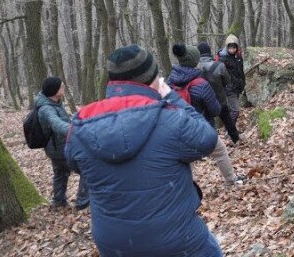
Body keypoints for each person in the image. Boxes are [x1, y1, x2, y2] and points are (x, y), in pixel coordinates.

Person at [65, 45, 224, 257]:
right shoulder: (170, 118)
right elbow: (207, 138)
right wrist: (171, 97)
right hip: (177, 240)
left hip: (114, 244)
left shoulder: (80, 126)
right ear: (152, 78)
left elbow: (74, 163)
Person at [170, 43, 244, 187]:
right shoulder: (201, 84)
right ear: (195, 61)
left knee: (186, 161)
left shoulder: (170, 81)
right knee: (220, 152)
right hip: (202, 128)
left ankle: (186, 188)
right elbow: (216, 111)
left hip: (180, 128)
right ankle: (230, 181)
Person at [36, 76, 88, 210]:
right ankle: (83, 203)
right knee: (86, 169)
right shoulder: (46, 109)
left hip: (56, 147)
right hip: (59, 149)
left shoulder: (55, 103)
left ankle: (58, 202)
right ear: (54, 90)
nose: (63, 88)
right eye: (61, 86)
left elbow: (63, 120)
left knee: (60, 173)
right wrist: (77, 130)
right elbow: (57, 124)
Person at [217, 35, 246, 125]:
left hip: (237, 87)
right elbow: (221, 75)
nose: (232, 50)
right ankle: (230, 131)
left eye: (234, 48)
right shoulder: (222, 59)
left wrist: (242, 83)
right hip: (229, 89)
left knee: (232, 110)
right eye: (230, 48)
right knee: (235, 111)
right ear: (227, 47)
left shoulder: (238, 57)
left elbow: (240, 71)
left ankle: (230, 129)